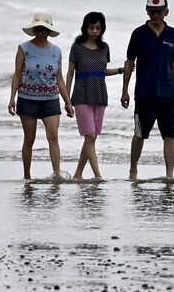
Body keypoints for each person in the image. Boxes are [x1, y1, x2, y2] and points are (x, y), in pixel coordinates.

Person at [120, 0, 174, 181]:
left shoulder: (172, 34)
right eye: (152, 12)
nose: (155, 15)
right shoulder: (138, 34)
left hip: (168, 93)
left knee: (169, 134)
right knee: (139, 133)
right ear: (147, 12)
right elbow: (130, 62)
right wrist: (125, 90)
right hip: (145, 94)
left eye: (159, 12)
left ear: (166, 12)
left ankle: (169, 174)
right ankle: (133, 170)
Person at [8, 12, 74, 180]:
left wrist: (68, 102)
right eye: (37, 29)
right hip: (27, 99)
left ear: (49, 31)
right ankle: (27, 176)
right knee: (29, 138)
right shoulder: (24, 48)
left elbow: (59, 79)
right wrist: (12, 98)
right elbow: (17, 74)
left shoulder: (56, 51)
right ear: (33, 29)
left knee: (53, 137)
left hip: (50, 100)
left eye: (44, 29)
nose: (41, 32)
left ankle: (57, 174)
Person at [64, 12, 126, 180]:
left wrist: (121, 70)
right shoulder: (77, 47)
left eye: (98, 28)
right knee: (90, 136)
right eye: (91, 27)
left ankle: (78, 174)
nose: (94, 31)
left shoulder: (104, 48)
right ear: (85, 27)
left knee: (91, 138)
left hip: (99, 93)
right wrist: (67, 99)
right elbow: (70, 73)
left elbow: (102, 72)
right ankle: (98, 175)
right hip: (81, 93)